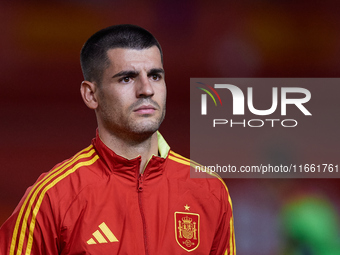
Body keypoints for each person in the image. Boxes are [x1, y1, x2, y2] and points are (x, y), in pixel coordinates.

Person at [0, 24, 235, 254]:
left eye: (155, 76)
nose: (146, 89)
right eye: (127, 78)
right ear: (91, 94)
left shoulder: (210, 190)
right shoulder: (53, 197)